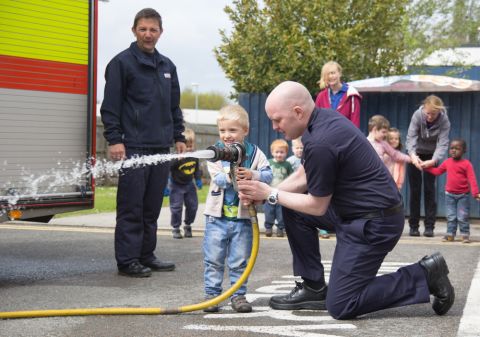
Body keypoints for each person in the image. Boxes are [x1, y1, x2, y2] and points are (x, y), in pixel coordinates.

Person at [237, 81, 454, 320]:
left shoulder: (321, 140)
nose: (274, 126)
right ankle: (313, 287)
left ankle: (424, 274)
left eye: (277, 120)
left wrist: (269, 193)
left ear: (298, 112)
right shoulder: (321, 121)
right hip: (354, 213)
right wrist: (268, 194)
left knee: (341, 305)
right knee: (292, 207)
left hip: (373, 224)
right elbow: (304, 175)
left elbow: (317, 206)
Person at [100, 8, 186, 277]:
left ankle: (146, 255)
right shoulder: (121, 64)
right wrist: (115, 139)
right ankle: (127, 261)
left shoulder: (167, 66)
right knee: (131, 208)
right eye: (143, 29)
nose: (148, 35)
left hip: (160, 147)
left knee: (150, 208)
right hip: (133, 147)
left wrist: (179, 136)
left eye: (153, 30)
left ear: (161, 32)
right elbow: (110, 106)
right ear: (134, 30)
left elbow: (174, 106)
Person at [203, 104, 273, 313]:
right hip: (217, 219)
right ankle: (212, 295)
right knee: (214, 258)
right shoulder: (214, 153)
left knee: (240, 260)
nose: (227, 135)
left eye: (233, 130)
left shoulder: (255, 153)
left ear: (245, 131)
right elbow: (218, 179)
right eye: (223, 131)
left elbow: (268, 175)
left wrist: (253, 174)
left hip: (244, 220)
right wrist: (233, 175)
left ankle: (238, 296)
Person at [406, 95, 451, 237]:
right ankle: (413, 226)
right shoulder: (417, 115)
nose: (430, 117)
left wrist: (434, 160)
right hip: (416, 154)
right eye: (428, 113)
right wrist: (413, 156)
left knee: (430, 190)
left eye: (434, 114)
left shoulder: (444, 120)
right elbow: (411, 137)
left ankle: (430, 226)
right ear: (424, 108)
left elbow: (443, 143)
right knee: (415, 190)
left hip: (431, 156)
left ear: (439, 112)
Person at [424, 139, 480, 243]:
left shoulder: (466, 164)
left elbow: (472, 179)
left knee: (462, 216)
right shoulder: (447, 162)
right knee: (451, 216)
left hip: (463, 195)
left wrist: (475, 193)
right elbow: (437, 171)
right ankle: (450, 234)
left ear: (464, 150)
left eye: (457, 148)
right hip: (449, 195)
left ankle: (465, 234)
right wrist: (426, 167)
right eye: (452, 148)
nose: (454, 150)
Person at [288, 137, 330, 239]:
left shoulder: (313, 157)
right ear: (292, 148)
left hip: (311, 187)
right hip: (297, 189)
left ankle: (322, 228)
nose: (299, 150)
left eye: (301, 148)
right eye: (297, 148)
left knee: (316, 207)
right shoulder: (290, 161)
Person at [168, 128, 202, 239]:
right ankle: (176, 228)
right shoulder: (176, 156)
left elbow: (196, 169)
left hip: (189, 184)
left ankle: (188, 225)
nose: (189, 149)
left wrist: (198, 179)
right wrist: (166, 185)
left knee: (193, 206)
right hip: (176, 185)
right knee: (176, 207)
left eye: (191, 146)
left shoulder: (194, 156)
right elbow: (168, 168)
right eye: (186, 146)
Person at [315, 61, 362, 128]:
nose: (331, 76)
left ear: (340, 73)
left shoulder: (352, 95)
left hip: (346, 137)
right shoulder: (321, 97)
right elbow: (317, 121)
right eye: (327, 74)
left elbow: (355, 124)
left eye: (333, 73)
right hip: (326, 137)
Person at [264, 139, 293, 237]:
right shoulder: (268, 163)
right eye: (277, 152)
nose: (279, 154)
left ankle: (280, 228)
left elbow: (291, 177)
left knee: (281, 213)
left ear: (286, 153)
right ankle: (268, 227)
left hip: (282, 193)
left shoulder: (287, 165)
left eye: (282, 152)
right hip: (269, 192)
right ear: (272, 152)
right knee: (269, 211)